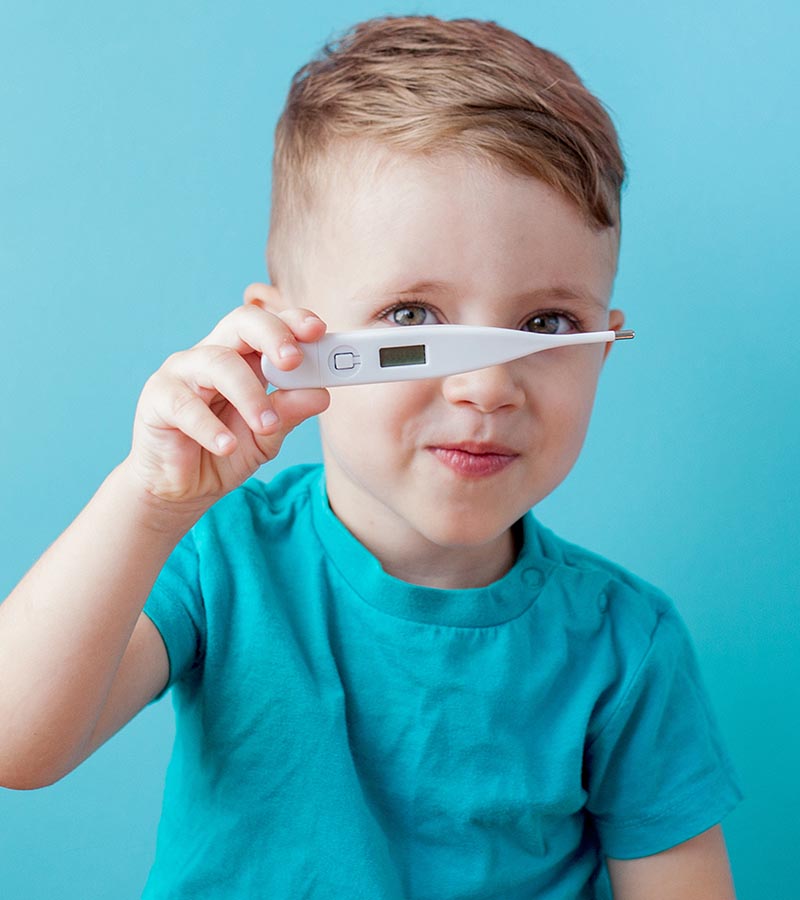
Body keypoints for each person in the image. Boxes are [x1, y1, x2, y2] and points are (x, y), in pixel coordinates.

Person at [0, 14, 742, 899]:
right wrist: (150, 501)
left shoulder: (626, 646)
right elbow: (18, 743)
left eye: (548, 325)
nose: (487, 385)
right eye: (414, 320)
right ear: (285, 335)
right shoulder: (216, 559)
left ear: (606, 343)